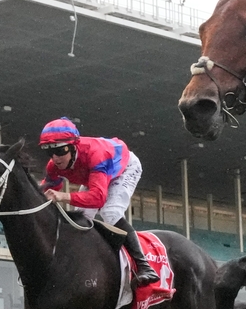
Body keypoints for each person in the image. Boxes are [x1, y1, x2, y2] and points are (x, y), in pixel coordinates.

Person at [38, 117, 160, 288]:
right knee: (79, 219)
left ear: (74, 146)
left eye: (61, 150)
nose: (56, 158)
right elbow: (49, 186)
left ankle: (144, 266)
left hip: (124, 169)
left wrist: (64, 196)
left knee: (110, 213)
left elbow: (98, 197)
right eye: (49, 152)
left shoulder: (95, 154)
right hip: (96, 176)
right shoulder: (54, 165)